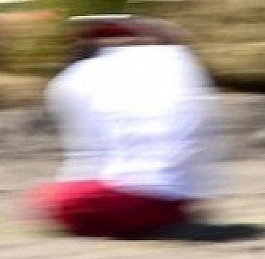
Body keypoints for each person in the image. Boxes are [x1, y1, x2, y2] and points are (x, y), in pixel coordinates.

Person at [29, 14, 219, 239]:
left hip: (99, 203)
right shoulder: (176, 65)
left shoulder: (74, 81)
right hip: (164, 204)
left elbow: (85, 155)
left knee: (52, 199)